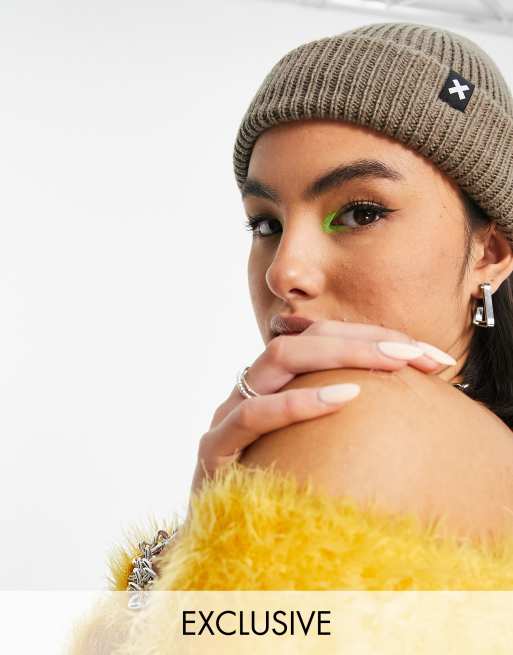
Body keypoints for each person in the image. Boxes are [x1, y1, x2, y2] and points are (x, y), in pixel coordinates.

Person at [66, 21, 513, 655]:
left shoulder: (352, 409)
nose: (284, 271)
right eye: (266, 223)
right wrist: (202, 541)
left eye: (360, 212)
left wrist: (194, 570)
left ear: (489, 253)